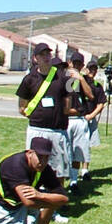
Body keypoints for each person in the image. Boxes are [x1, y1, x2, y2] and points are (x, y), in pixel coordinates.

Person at [18, 43, 75, 183]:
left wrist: (75, 78)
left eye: (48, 54)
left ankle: (58, 197)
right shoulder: (28, 79)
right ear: (35, 58)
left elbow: (70, 99)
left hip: (57, 130)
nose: (46, 57)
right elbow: (22, 107)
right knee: (34, 166)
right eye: (42, 55)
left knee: (58, 169)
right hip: (36, 129)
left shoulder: (63, 77)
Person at [64, 54, 96, 189]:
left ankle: (73, 180)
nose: (76, 66)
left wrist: (81, 79)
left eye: (79, 64)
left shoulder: (84, 80)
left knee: (78, 152)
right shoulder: (64, 78)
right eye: (74, 63)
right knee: (63, 152)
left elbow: (91, 96)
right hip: (66, 119)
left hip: (79, 119)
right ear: (70, 63)